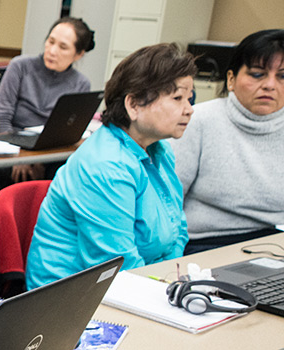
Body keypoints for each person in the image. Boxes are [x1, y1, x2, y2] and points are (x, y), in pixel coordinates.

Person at [26, 43, 195, 289]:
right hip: (72, 301)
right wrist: (166, 288)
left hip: (141, 285)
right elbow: (117, 266)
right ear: (134, 105)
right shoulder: (106, 166)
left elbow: (177, 230)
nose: (189, 110)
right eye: (178, 98)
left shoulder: (160, 150)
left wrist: (170, 278)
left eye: (189, 99)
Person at [170, 29, 284, 254]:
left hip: (273, 243)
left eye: (282, 76)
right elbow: (168, 205)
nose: (270, 85)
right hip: (205, 244)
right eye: (257, 74)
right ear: (231, 79)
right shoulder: (197, 120)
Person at [0, 17, 93, 183]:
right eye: (50, 41)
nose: (52, 51)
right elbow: (2, 118)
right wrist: (20, 158)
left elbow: (69, 133)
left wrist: (40, 159)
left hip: (51, 155)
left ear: (78, 54)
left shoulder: (81, 83)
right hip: (13, 148)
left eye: (63, 47)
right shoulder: (20, 66)